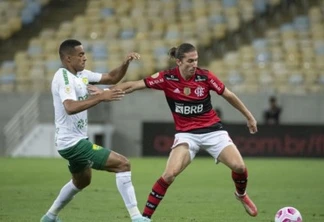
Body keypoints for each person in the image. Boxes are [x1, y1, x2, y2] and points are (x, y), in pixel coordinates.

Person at [89, 43, 259, 220]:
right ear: (178, 61)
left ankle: (241, 195)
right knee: (169, 175)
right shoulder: (167, 78)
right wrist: (105, 92)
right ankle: (145, 218)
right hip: (186, 135)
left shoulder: (205, 76)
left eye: (196, 60)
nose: (194, 64)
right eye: (190, 61)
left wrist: (249, 117)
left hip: (213, 131)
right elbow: (133, 85)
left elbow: (229, 95)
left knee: (239, 167)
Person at [40, 39, 150, 222]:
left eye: (84, 53)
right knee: (123, 164)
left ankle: (49, 216)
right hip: (72, 143)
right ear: (68, 58)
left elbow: (111, 78)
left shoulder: (81, 74)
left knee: (82, 181)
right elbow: (70, 107)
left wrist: (125, 63)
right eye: (80, 54)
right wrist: (101, 98)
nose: (85, 57)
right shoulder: (63, 77)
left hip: (73, 141)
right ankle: (137, 217)